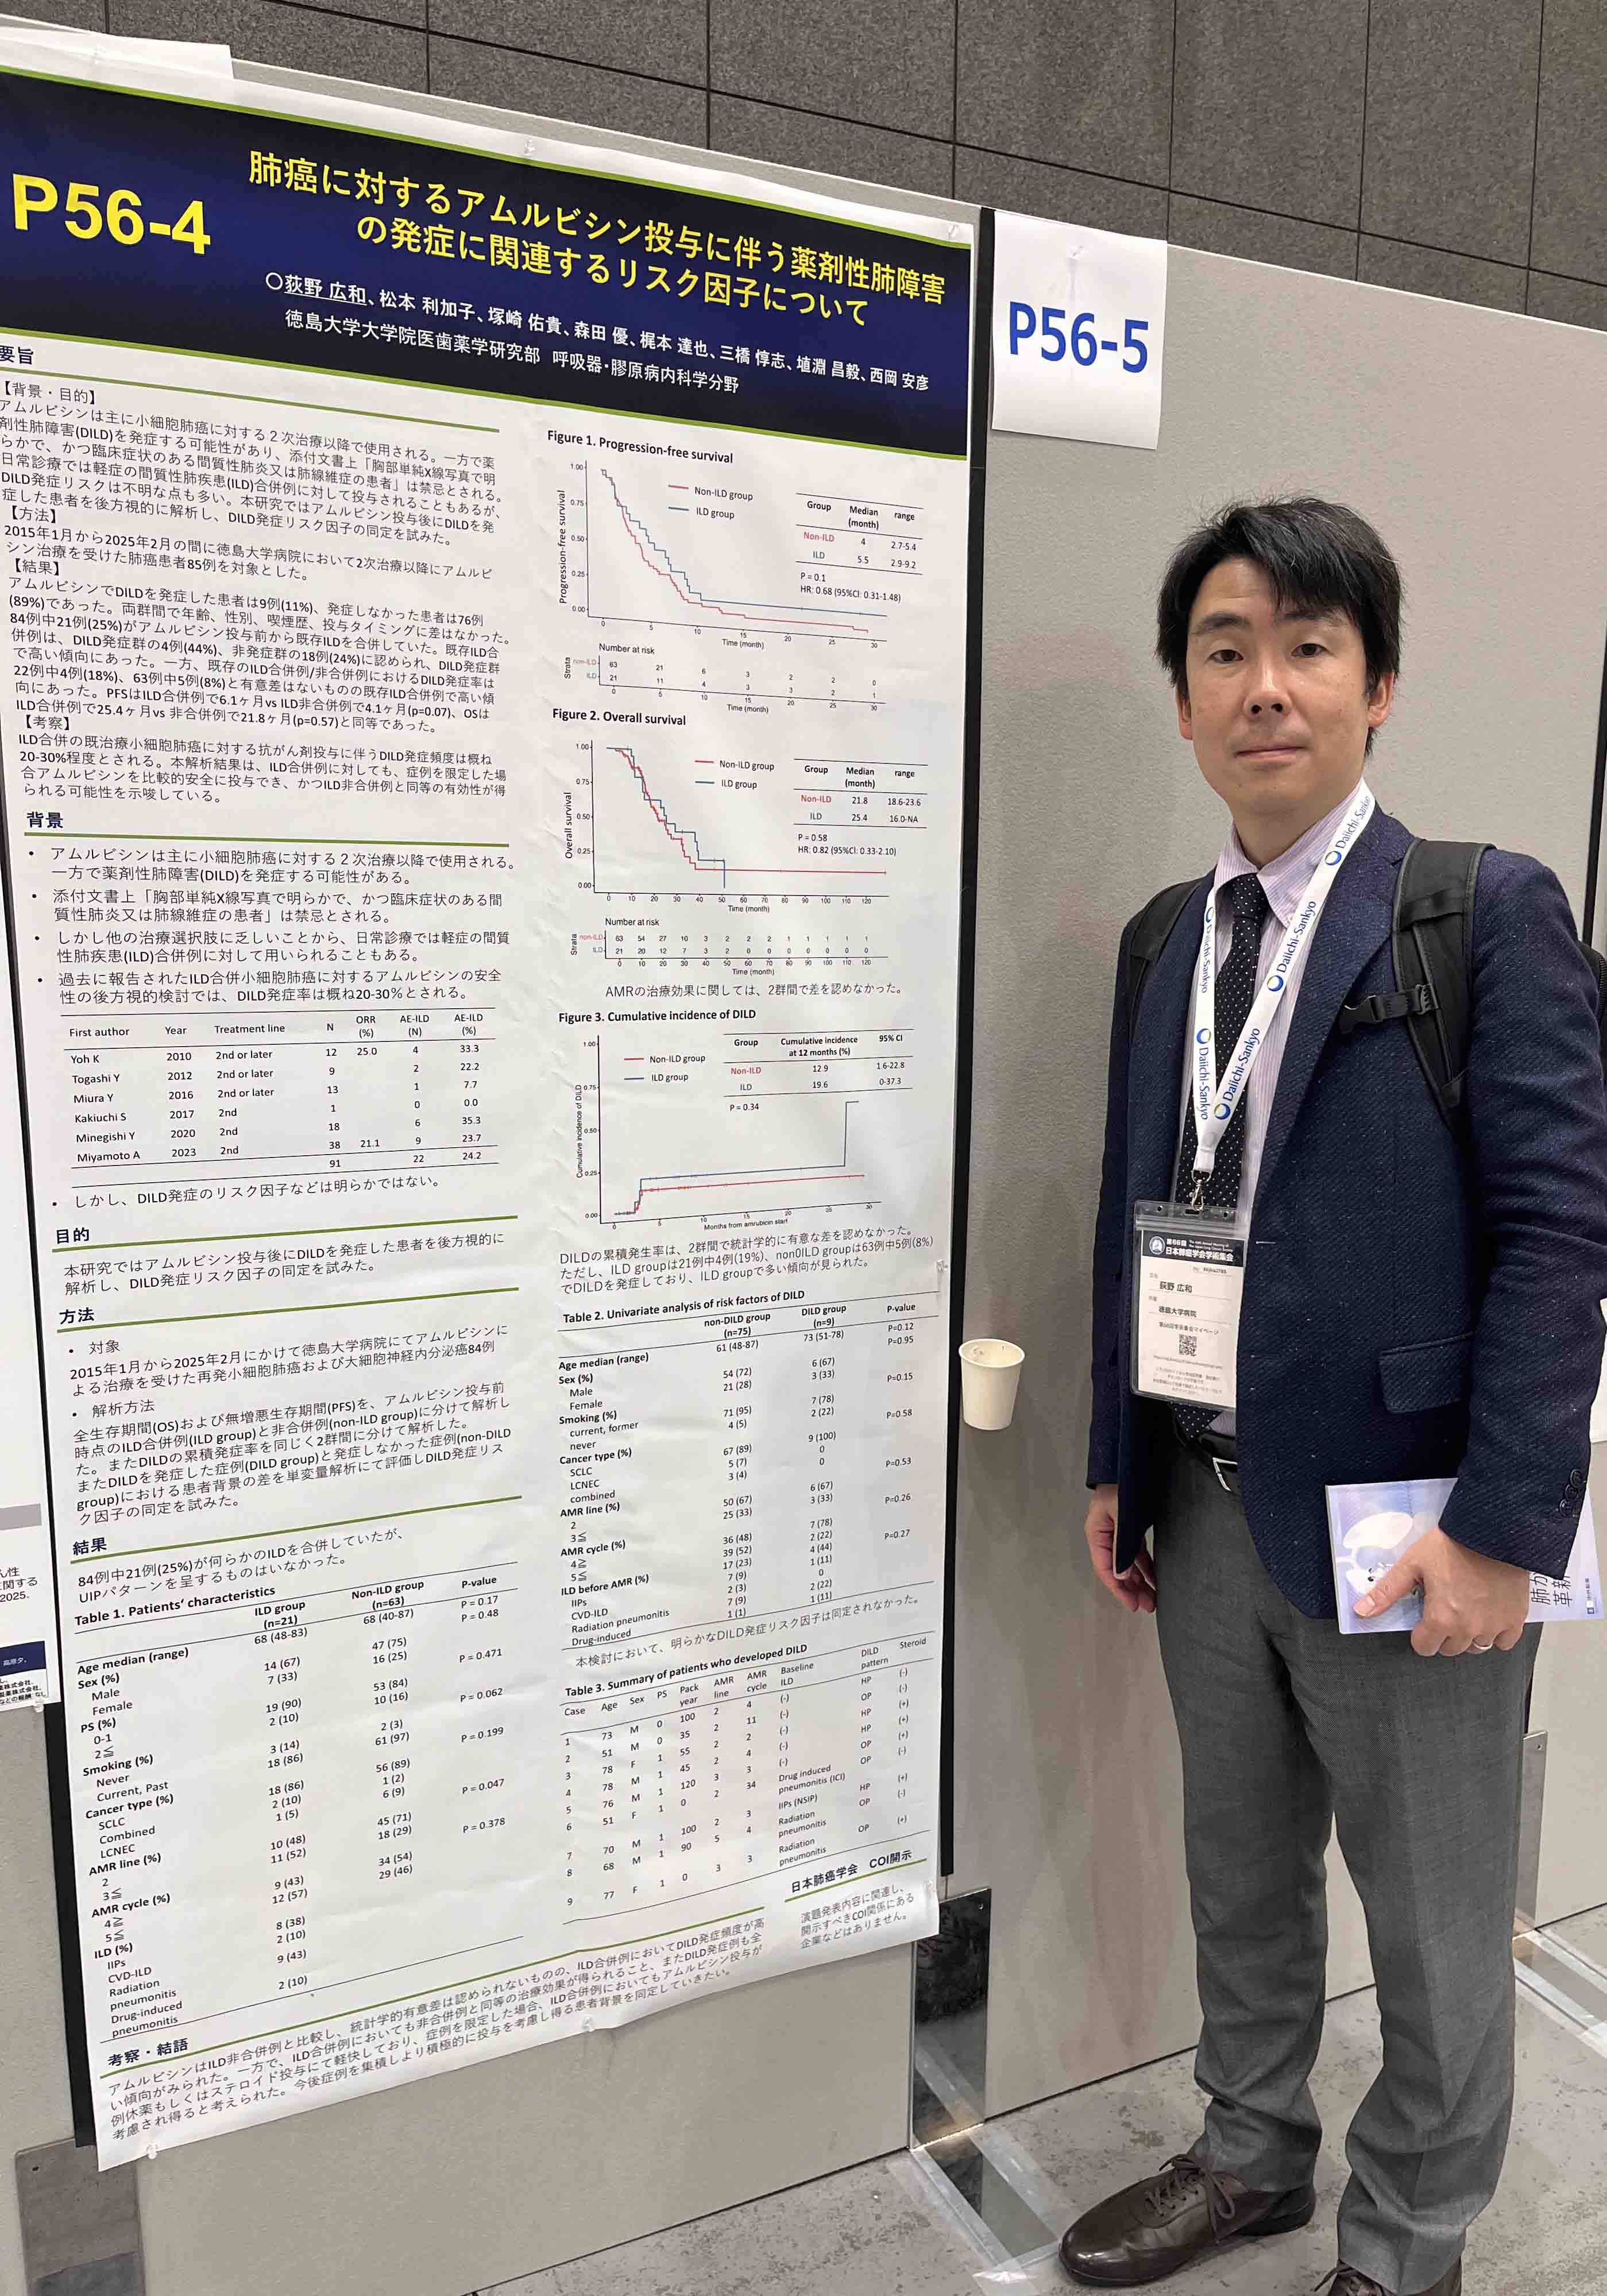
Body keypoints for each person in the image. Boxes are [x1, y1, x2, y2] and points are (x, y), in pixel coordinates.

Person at [1063, 498, 1607, 2296]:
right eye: (1226, 651)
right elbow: (1138, 1215)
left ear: (1379, 687)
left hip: (1410, 1523)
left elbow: (1561, 1238)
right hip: (1207, 1503)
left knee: (1437, 1916)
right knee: (1240, 1869)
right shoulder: (1167, 938)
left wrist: (1506, 1531)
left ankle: (1409, 2240)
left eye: (1309, 648)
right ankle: (1250, 2154)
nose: (1266, 688)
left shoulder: (1481, 912)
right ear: (1183, 699)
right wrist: (1118, 1459)